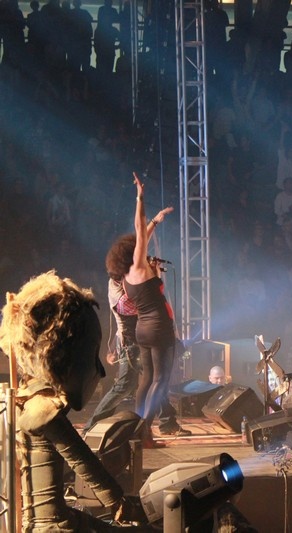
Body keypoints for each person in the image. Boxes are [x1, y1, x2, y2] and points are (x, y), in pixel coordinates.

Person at [0, 271, 146, 531]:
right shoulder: (41, 409)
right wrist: (118, 502)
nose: (98, 372)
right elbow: (82, 461)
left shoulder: (25, 398)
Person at [109, 172, 178, 447]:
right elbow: (139, 231)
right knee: (160, 381)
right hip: (159, 329)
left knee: (147, 379)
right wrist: (140, 197)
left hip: (143, 330)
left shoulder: (127, 275)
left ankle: (142, 433)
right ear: (133, 254)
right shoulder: (138, 267)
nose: (143, 248)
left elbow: (142, 236)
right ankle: (142, 431)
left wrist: (156, 222)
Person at [84, 274, 190, 437]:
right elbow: (136, 306)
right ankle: (91, 425)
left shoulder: (126, 283)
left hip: (141, 341)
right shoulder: (118, 289)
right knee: (125, 386)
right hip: (131, 344)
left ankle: (167, 422)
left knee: (157, 381)